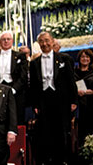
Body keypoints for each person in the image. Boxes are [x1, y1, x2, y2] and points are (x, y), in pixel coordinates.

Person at [29, 31, 77, 165]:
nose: (44, 44)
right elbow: (33, 86)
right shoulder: (34, 63)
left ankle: (62, 160)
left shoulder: (64, 59)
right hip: (43, 100)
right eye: (41, 41)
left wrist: (73, 101)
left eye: (47, 40)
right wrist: (35, 105)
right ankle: (47, 160)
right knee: (45, 132)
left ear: (52, 41)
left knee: (61, 131)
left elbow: (71, 81)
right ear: (39, 44)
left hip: (61, 99)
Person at [0, 31, 28, 124]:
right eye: (3, 39)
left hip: (16, 91)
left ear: (12, 41)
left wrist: (14, 89)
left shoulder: (20, 56)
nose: (6, 41)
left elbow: (23, 76)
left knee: (17, 118)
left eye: (8, 39)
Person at [75, 49, 93, 147]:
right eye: (82, 57)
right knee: (80, 133)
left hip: (90, 105)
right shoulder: (74, 72)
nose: (85, 59)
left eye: (87, 57)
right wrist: (76, 91)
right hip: (78, 106)